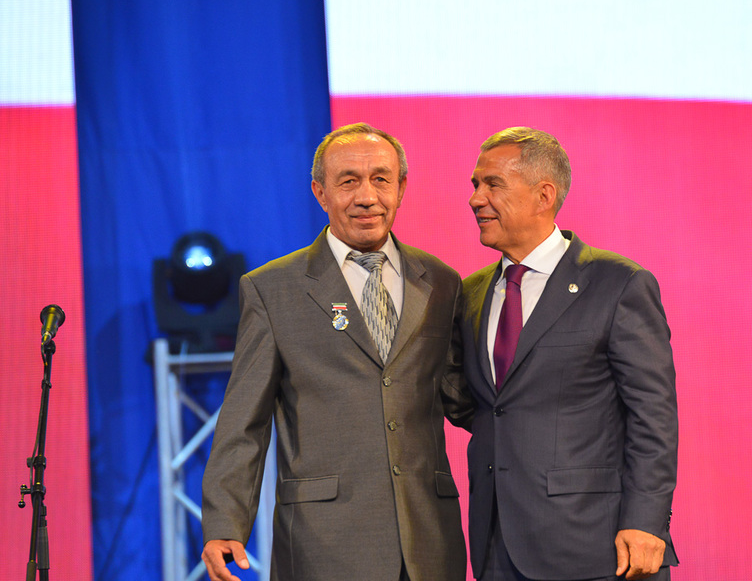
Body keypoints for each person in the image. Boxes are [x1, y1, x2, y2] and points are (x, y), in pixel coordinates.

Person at [201, 123, 473, 581]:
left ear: (401, 188)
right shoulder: (273, 289)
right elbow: (244, 420)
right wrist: (226, 522)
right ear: (320, 192)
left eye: (381, 179)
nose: (367, 197)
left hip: (430, 541)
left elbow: (463, 398)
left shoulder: (441, 282)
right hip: (322, 544)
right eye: (348, 181)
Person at [456, 127, 679, 580]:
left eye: (493, 184)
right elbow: (479, 405)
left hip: (596, 546)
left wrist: (645, 520)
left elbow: (653, 416)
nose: (476, 199)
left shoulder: (618, 284)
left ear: (544, 195)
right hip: (497, 546)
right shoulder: (472, 293)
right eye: (476, 184)